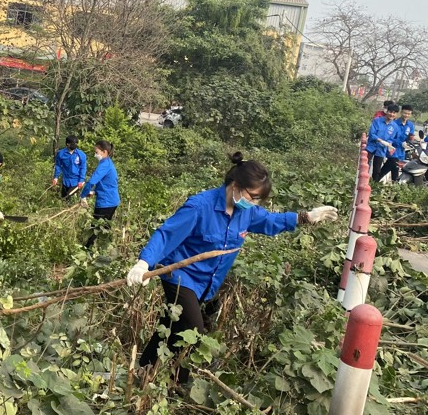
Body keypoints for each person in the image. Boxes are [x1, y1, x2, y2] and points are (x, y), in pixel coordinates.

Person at [126, 152, 338, 384]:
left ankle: (143, 371)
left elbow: (270, 221)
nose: (254, 203)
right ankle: (176, 385)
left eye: (258, 200)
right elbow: (167, 234)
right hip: (180, 276)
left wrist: (305, 217)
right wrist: (144, 262)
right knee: (193, 331)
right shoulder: (200, 207)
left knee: (171, 324)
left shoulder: (246, 213)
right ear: (236, 186)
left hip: (206, 284)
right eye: (253, 196)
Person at [81, 140, 120, 248]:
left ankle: (88, 249)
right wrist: (94, 192)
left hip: (106, 202)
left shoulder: (105, 165)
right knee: (104, 228)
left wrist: (83, 196)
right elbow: (108, 183)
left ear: (104, 152)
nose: (95, 154)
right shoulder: (107, 163)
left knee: (96, 228)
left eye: (97, 152)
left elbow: (92, 182)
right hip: (111, 200)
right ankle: (102, 249)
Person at [367, 103, 401, 183]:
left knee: (377, 170)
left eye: (394, 113)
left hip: (381, 150)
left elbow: (394, 139)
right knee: (365, 166)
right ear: (387, 111)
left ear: (396, 114)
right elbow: (372, 134)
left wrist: (389, 144)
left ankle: (373, 186)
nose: (392, 114)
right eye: (390, 112)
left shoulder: (395, 127)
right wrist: (380, 140)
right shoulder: (377, 121)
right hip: (371, 147)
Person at [52, 135, 87, 200]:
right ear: (67, 144)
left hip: (76, 181)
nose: (75, 145)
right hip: (65, 180)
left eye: (76, 143)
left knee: (71, 199)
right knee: (64, 198)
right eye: (73, 144)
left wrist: (81, 180)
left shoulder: (81, 155)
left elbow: (83, 168)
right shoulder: (61, 154)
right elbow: (58, 166)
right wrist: (56, 177)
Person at [390, 104, 416, 169]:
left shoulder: (410, 125)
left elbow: (411, 137)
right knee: (393, 169)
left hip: (402, 152)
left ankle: (376, 179)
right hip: (393, 151)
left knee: (394, 169)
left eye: (408, 114)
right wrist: (400, 143)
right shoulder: (394, 123)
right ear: (401, 112)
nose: (406, 115)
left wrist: (410, 143)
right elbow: (390, 138)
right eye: (405, 113)